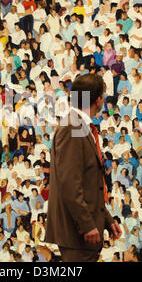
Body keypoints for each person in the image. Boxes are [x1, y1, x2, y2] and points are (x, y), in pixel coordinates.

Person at [46, 74, 122, 262]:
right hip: (77, 235)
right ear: (98, 100)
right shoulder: (72, 127)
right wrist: (87, 225)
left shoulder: (78, 125)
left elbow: (89, 184)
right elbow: (69, 185)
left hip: (82, 233)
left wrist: (107, 219)